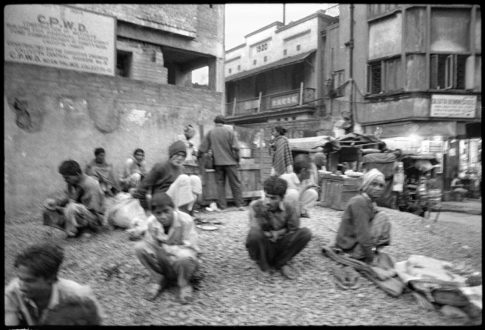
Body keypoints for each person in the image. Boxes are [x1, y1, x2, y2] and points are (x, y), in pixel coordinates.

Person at [4, 243, 102, 326]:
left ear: (50, 278)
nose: (21, 286)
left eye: (29, 281)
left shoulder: (78, 295)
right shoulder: (12, 292)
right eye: (20, 279)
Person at [134, 192, 200, 303]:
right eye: (158, 213)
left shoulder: (185, 220)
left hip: (183, 263)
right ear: (153, 213)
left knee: (185, 256)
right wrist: (162, 250)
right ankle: (159, 279)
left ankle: (185, 284)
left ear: (173, 208)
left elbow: (192, 247)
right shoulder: (151, 222)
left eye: (166, 211)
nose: (163, 216)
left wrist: (167, 249)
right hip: (165, 261)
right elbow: (150, 244)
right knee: (139, 248)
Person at [246, 176, 312, 280]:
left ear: (282, 198)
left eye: (273, 198)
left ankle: (281, 263)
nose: (268, 201)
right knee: (254, 235)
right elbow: (255, 230)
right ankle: (263, 265)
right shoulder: (256, 206)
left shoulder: (289, 207)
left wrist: (279, 233)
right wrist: (271, 233)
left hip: (280, 245)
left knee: (305, 233)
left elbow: (293, 229)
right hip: (264, 246)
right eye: (267, 196)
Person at [334, 168, 391, 264]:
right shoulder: (360, 202)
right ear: (366, 185)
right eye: (374, 184)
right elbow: (363, 234)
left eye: (381, 186)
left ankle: (369, 251)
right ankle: (364, 254)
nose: (378, 188)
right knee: (382, 217)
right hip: (350, 249)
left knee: (381, 216)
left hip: (351, 245)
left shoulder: (369, 202)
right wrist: (370, 258)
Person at [132, 140, 202, 217]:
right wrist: (147, 209)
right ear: (171, 154)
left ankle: (187, 212)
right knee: (184, 178)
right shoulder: (160, 166)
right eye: (177, 155)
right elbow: (143, 188)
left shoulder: (181, 169)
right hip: (160, 200)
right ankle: (181, 214)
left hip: (175, 201)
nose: (180, 158)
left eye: (182, 156)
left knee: (195, 179)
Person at [43, 160, 105, 238]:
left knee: (72, 207)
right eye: (64, 178)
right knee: (49, 210)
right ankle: (76, 230)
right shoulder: (72, 184)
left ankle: (86, 230)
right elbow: (70, 199)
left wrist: (69, 208)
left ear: (77, 174)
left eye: (67, 178)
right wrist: (56, 203)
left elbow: (94, 210)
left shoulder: (91, 184)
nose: (65, 180)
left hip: (95, 219)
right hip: (79, 212)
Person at [198, 115, 244, 210]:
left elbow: (203, 148)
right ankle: (239, 205)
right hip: (231, 163)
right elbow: (236, 148)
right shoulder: (230, 132)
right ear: (224, 123)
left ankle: (223, 206)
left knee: (220, 184)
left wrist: (198, 155)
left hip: (218, 163)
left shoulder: (211, 132)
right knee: (235, 184)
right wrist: (237, 160)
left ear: (215, 123)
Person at [280, 154, 319, 218]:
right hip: (283, 208)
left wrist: (308, 186)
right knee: (293, 193)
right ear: (303, 171)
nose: (312, 172)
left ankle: (301, 212)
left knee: (313, 193)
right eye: (310, 170)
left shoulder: (304, 180)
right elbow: (293, 197)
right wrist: (304, 188)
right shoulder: (285, 179)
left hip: (295, 206)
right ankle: (290, 214)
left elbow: (299, 198)